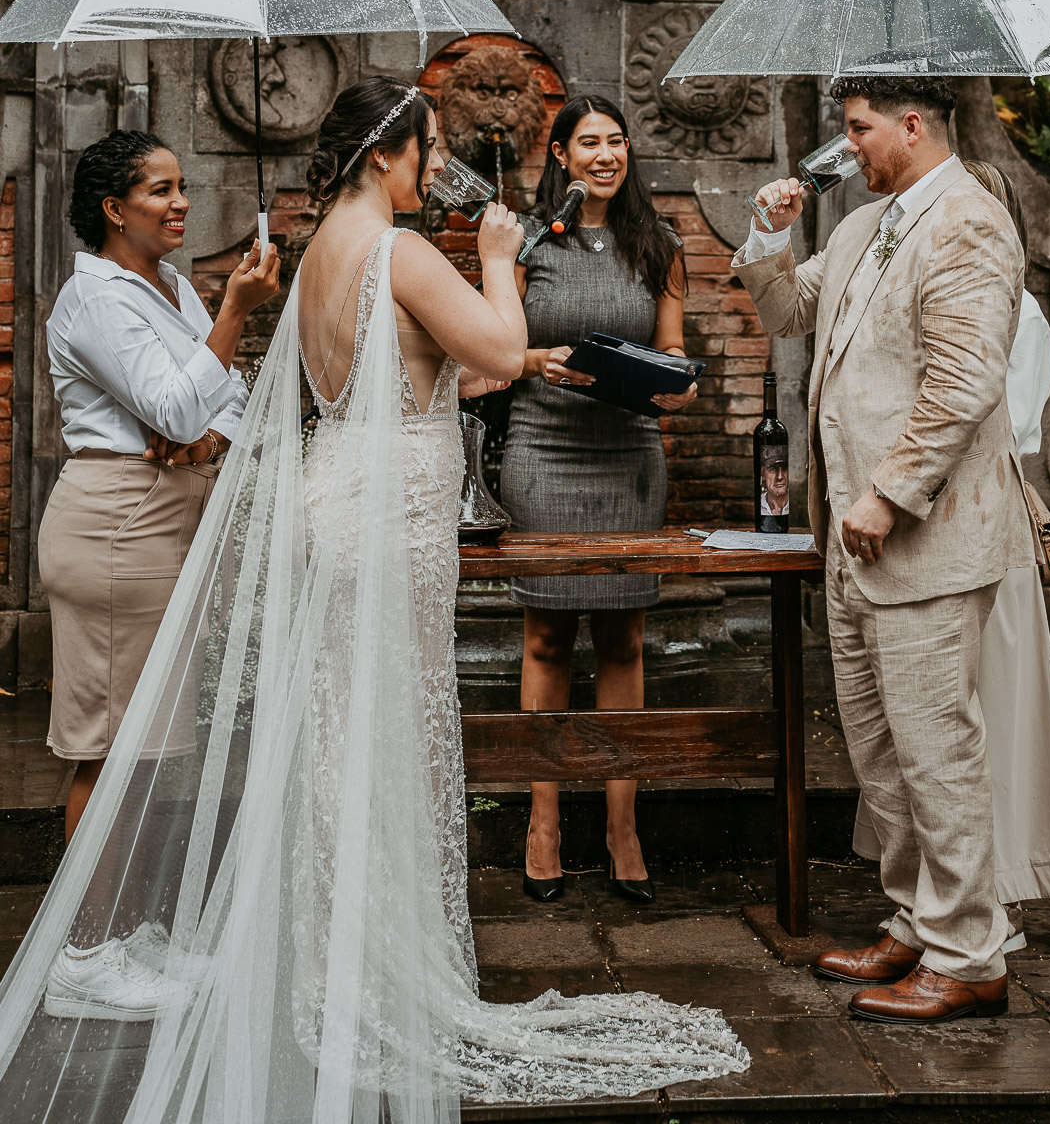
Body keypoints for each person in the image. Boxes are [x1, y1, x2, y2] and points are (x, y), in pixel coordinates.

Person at [0, 79, 746, 1114]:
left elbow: (418, 370)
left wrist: (483, 342)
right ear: (388, 156)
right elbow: (491, 350)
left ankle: (336, 962)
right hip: (388, 520)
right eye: (427, 149)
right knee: (384, 733)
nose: (433, 169)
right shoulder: (402, 251)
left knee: (346, 737)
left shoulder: (318, 261)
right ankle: (375, 973)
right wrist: (493, 262)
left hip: (342, 498)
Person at [735, 76, 1034, 1025]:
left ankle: (971, 954)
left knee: (938, 749)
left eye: (859, 130)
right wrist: (771, 232)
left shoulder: (968, 220)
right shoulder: (866, 226)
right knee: (883, 752)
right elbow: (786, 312)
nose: (847, 148)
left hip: (924, 535)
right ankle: (916, 920)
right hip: (853, 544)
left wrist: (889, 493)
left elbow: (964, 381)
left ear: (912, 126)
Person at [37, 129, 279, 1019]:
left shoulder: (169, 285)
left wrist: (205, 424)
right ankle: (83, 957)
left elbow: (227, 406)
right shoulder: (91, 299)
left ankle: (127, 929)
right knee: (108, 745)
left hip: (166, 522)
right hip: (116, 527)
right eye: (160, 190)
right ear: (113, 208)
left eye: (182, 187)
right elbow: (179, 400)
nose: (181, 204)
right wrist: (235, 315)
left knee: (145, 751)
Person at [852, 161, 1050, 941]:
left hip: (980, 533)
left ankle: (995, 906)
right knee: (920, 730)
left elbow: (1001, 425)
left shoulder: (1019, 315)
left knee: (982, 727)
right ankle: (932, 903)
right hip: (914, 526)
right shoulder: (907, 295)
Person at [500, 97, 697, 905]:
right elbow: (489, 351)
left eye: (618, 141)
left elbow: (676, 357)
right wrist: (534, 358)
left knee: (623, 642)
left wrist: (671, 384)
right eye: (590, 142)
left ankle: (623, 825)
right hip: (543, 452)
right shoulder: (523, 242)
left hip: (628, 454)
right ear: (559, 155)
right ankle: (542, 822)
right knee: (546, 638)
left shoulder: (662, 245)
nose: (608, 154)